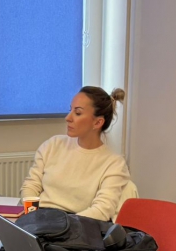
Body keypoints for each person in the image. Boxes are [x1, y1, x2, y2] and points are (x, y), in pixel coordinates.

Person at [20, 86, 135, 222]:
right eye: (70, 110)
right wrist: (32, 217)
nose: (68, 118)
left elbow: (102, 210)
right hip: (40, 220)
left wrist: (62, 225)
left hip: (76, 226)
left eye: (78, 113)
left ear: (98, 122)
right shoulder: (53, 145)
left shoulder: (114, 163)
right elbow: (31, 186)